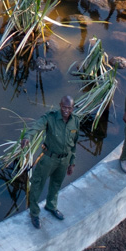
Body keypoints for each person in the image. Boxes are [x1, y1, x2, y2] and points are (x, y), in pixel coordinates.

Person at [28, 95, 76, 229]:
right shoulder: (50, 117)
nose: (66, 110)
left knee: (56, 184)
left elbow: (74, 144)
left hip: (64, 159)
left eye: (69, 108)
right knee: (38, 185)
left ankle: (51, 206)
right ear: (60, 105)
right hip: (49, 158)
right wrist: (27, 137)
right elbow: (36, 127)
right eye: (64, 107)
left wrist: (72, 162)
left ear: (73, 108)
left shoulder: (75, 122)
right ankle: (34, 213)